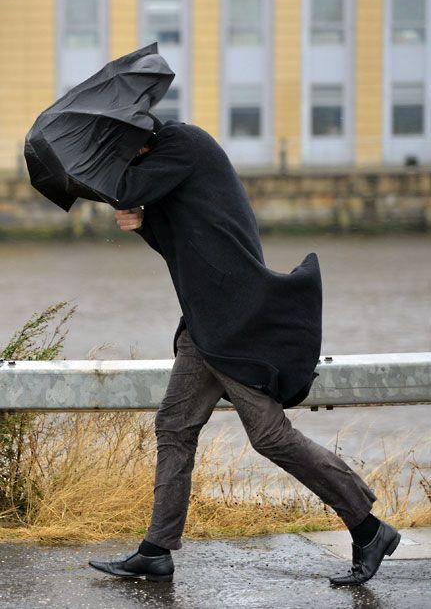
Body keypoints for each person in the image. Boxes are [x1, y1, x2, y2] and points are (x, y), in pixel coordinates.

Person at [89, 116, 401, 585]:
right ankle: (155, 552)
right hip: (206, 321)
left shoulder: (183, 145)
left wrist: (118, 191)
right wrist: (141, 225)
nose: (121, 159)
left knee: (269, 435)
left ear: (137, 138)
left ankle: (368, 527)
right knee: (175, 425)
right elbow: (185, 245)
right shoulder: (166, 161)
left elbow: (126, 185)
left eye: (120, 149)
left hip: (231, 321)